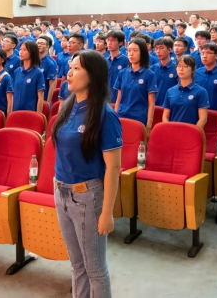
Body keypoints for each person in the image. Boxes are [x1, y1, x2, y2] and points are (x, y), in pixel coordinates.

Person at [52, 50, 122, 298]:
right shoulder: (69, 105)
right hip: (61, 191)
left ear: (92, 75)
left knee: (95, 270)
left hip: (87, 197)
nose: (69, 73)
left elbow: (113, 168)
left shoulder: (105, 115)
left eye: (77, 68)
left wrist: (107, 212)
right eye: (70, 67)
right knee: (77, 265)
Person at [114, 38, 157, 130]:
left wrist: (149, 125)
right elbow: (119, 99)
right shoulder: (122, 73)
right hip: (121, 116)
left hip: (139, 119)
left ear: (142, 53)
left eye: (135, 50)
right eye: (129, 50)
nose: (131, 53)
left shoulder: (149, 74)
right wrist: (115, 117)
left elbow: (151, 103)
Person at [162, 55, 209, 129]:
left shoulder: (201, 92)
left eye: (185, 66)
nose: (181, 69)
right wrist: (169, 130)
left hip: (191, 132)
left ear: (192, 69)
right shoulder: (170, 91)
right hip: (172, 131)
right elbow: (165, 116)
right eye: (179, 66)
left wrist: (192, 132)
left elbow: (203, 119)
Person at [12, 40, 45, 113]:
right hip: (15, 111)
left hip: (30, 112)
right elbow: (13, 93)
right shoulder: (17, 71)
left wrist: (38, 115)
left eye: (24, 50)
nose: (21, 52)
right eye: (20, 49)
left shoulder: (38, 73)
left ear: (32, 52)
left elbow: (40, 97)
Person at [195, 43, 217, 112]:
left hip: (216, 113)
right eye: (202, 53)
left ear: (216, 56)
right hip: (197, 112)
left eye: (208, 53)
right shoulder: (196, 73)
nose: (204, 56)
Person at [150, 37, 178, 106]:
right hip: (154, 106)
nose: (158, 51)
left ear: (169, 50)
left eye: (161, 48)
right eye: (156, 49)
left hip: (170, 106)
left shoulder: (177, 69)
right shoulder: (152, 68)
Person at [106, 31, 129, 104]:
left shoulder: (126, 60)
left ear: (120, 43)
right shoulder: (104, 61)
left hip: (120, 100)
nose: (109, 43)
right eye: (108, 40)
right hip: (106, 100)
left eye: (113, 40)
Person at [37, 35, 58, 105]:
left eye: (42, 44)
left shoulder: (50, 63)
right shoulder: (31, 61)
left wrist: (48, 102)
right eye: (37, 43)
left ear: (47, 47)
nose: (39, 45)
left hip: (44, 98)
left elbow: (52, 85)